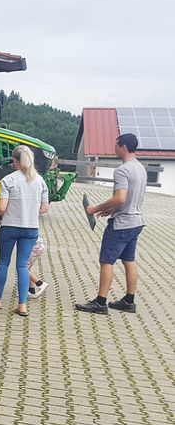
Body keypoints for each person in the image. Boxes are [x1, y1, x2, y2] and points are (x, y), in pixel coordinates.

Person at [76, 133, 147, 315]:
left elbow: (120, 197)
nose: (113, 149)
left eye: (116, 146)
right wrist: (111, 209)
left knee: (106, 261)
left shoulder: (122, 170)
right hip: (136, 221)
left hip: (122, 224)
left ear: (123, 146)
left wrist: (94, 209)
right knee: (129, 259)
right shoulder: (140, 168)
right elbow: (128, 199)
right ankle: (129, 301)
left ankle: (100, 303)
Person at [0, 145, 49, 317]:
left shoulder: (9, 180)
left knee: (4, 261)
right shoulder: (40, 180)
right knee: (22, 265)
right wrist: (30, 211)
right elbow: (45, 208)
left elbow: (1, 207)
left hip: (10, 227)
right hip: (31, 229)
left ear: (15, 160)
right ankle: (22, 305)